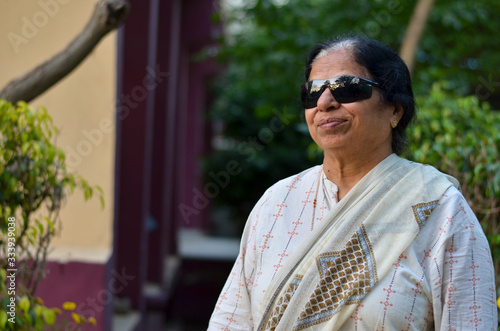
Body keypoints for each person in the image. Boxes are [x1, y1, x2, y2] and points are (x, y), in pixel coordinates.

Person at [207, 35, 498, 330]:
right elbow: (231, 320)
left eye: (346, 88)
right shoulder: (277, 203)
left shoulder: (441, 211)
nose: (324, 102)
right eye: (312, 92)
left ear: (395, 110)